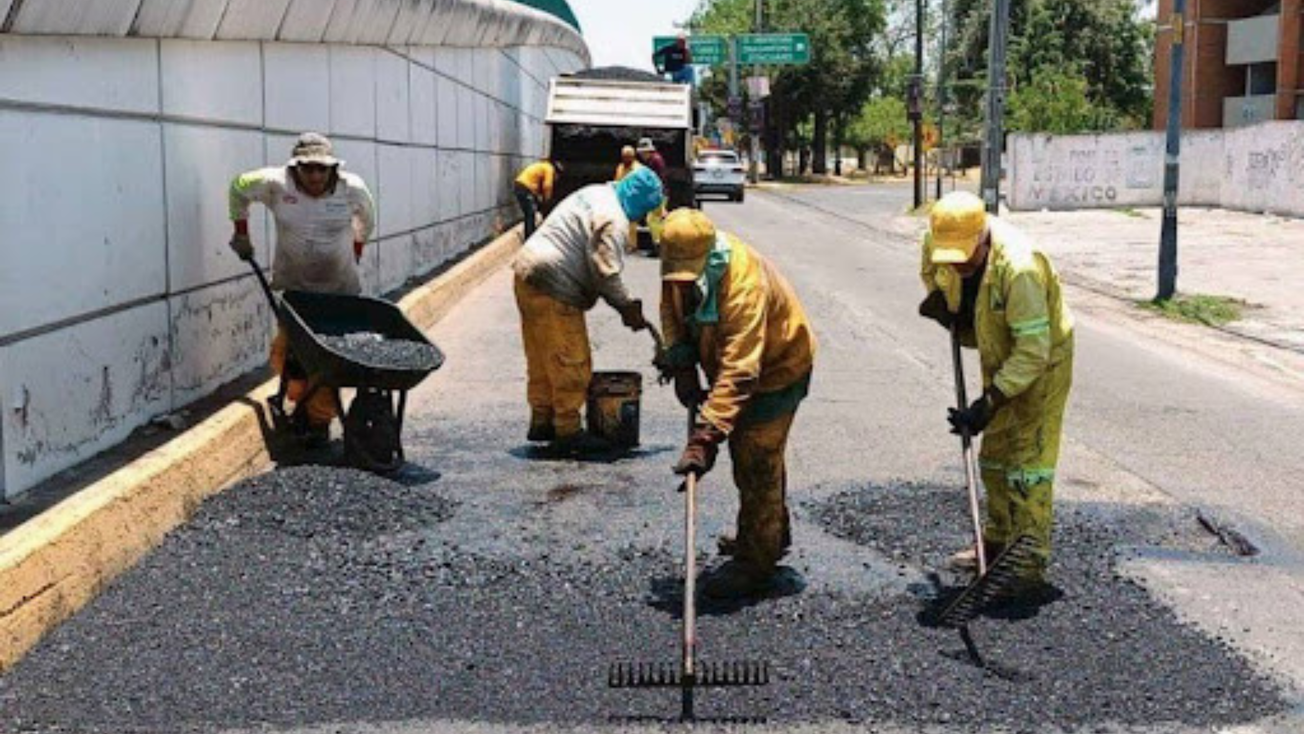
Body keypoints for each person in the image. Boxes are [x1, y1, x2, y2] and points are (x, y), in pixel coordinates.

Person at [918, 191, 1074, 602]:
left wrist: (988, 403)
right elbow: (931, 271)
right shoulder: (939, 240)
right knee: (994, 457)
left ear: (982, 236)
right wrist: (947, 303)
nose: (957, 264)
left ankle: (1026, 567)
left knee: (1027, 466)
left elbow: (1033, 352)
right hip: (999, 347)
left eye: (964, 257)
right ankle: (996, 543)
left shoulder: (1020, 268)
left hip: (1042, 361)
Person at [656, 209, 816, 599]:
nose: (680, 282)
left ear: (707, 255)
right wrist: (681, 362)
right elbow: (671, 311)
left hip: (776, 369)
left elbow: (741, 368)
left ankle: (755, 563)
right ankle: (769, 532)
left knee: (756, 457)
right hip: (733, 366)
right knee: (753, 454)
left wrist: (706, 436)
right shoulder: (679, 264)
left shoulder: (744, 284)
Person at [228, 132, 376, 446]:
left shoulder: (353, 189)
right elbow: (238, 187)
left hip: (339, 293)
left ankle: (318, 422)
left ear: (333, 168)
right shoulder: (275, 183)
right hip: (296, 292)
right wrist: (241, 232)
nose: (315, 176)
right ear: (296, 167)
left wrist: (356, 252)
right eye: (308, 168)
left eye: (322, 168)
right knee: (286, 356)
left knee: (327, 362)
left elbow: (367, 221)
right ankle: (302, 405)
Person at [512, 167, 666, 455]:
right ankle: (568, 430)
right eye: (644, 211)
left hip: (526, 273)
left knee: (542, 357)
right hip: (554, 284)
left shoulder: (597, 193)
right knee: (571, 360)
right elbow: (605, 272)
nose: (641, 218)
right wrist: (626, 306)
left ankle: (543, 419)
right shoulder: (614, 220)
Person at [514, 158, 563, 240]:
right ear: (556, 172)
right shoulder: (549, 169)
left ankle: (532, 232)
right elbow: (547, 186)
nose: (556, 179)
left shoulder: (544, 166)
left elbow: (540, 186)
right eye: (558, 176)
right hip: (525, 188)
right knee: (530, 213)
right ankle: (529, 237)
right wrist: (547, 200)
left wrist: (542, 201)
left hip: (522, 186)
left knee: (532, 212)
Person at [636, 138, 669, 245]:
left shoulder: (655, 160)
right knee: (655, 218)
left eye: (642, 153)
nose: (641, 155)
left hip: (658, 194)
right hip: (657, 193)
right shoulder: (652, 160)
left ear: (647, 151)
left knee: (653, 219)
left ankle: (659, 242)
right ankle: (659, 241)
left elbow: (658, 179)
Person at [613, 145, 643, 252]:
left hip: (633, 198)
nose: (625, 159)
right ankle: (622, 243)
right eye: (624, 157)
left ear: (632, 157)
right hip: (621, 197)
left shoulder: (638, 168)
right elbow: (617, 180)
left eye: (628, 157)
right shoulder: (620, 167)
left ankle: (632, 245)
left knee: (631, 223)